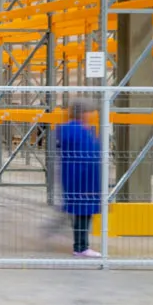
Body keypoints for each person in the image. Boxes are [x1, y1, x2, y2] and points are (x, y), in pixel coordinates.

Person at [55, 99, 103, 258]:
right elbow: (86, 156)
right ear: (82, 113)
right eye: (89, 113)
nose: (91, 116)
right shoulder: (78, 131)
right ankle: (81, 247)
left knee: (81, 213)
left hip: (80, 178)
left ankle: (81, 245)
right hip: (82, 180)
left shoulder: (75, 129)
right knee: (83, 213)